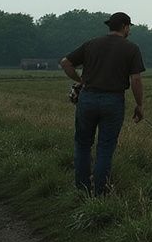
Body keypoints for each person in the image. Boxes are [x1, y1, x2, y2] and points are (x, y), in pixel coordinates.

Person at [60, 11, 146, 196]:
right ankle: (100, 193)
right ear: (125, 27)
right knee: (105, 147)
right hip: (113, 101)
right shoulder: (131, 48)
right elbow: (136, 80)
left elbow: (65, 63)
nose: (129, 30)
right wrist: (139, 105)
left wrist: (81, 81)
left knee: (83, 144)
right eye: (129, 27)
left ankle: (82, 190)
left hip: (88, 98)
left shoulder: (92, 44)